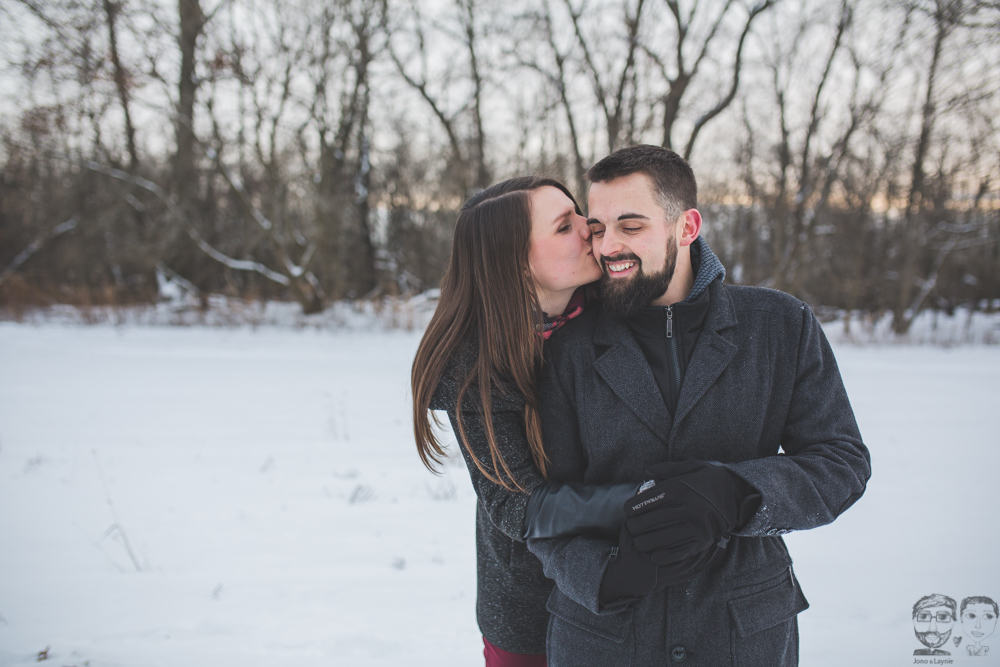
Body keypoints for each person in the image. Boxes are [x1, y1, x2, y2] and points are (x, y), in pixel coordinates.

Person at [527, 145, 871, 666]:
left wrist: (737, 493)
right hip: (604, 640)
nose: (608, 246)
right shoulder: (565, 348)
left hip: (743, 635)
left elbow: (841, 462)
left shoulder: (780, 325)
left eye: (631, 226)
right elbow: (544, 505)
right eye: (597, 228)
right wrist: (605, 575)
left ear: (686, 227)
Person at [411, 177, 646, 666]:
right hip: (529, 610)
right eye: (565, 226)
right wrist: (650, 499)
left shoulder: (623, 307)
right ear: (516, 264)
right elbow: (516, 505)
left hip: (641, 591)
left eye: (579, 213)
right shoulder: (473, 367)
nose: (590, 227)